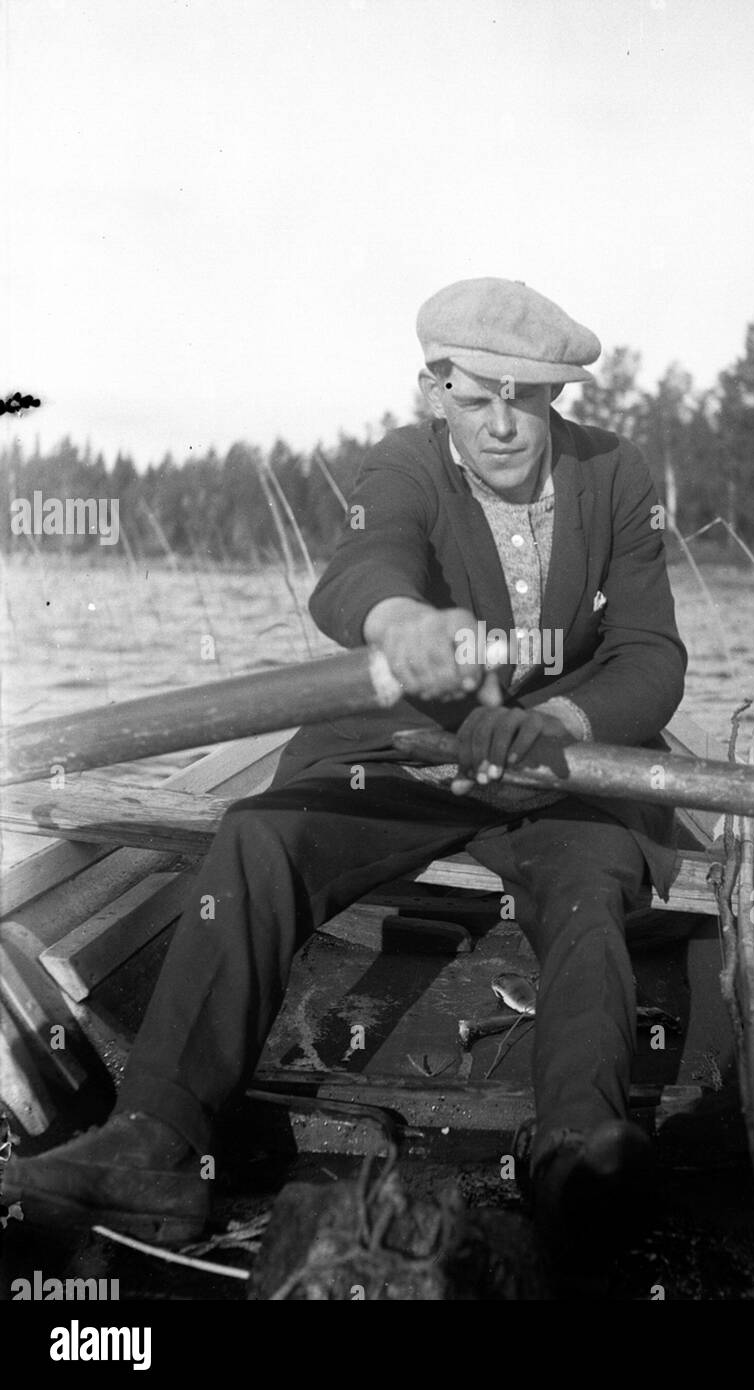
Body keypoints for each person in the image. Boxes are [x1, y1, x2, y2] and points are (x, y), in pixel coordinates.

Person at [3, 277, 688, 1259]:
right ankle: (156, 1144)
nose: (499, 423)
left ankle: (574, 1157)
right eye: (472, 395)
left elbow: (650, 654)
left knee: (591, 891)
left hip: (561, 766)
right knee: (256, 837)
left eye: (523, 398)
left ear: (554, 398)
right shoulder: (404, 462)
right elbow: (360, 569)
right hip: (407, 758)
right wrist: (399, 623)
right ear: (432, 389)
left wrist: (566, 721)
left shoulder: (615, 475)